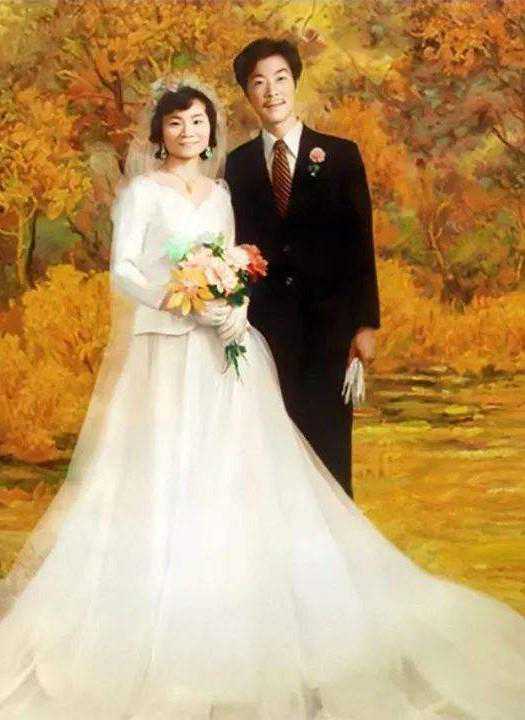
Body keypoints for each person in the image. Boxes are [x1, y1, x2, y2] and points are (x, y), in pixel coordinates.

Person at [0, 75, 523, 720]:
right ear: (159, 133)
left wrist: (232, 308)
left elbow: (234, 262)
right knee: (162, 470)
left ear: (210, 131)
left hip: (221, 347)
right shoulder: (142, 193)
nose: (187, 132)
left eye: (197, 121)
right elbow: (125, 270)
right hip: (166, 347)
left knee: (233, 473)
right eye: (175, 122)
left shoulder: (220, 192)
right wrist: (180, 299)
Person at [225, 38, 380, 499]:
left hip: (328, 328)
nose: (271, 91)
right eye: (259, 83)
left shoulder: (340, 156)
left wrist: (365, 324)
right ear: (248, 94)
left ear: (295, 83)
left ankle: (335, 545)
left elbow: (360, 243)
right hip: (263, 331)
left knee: (328, 449)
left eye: (280, 79)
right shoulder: (236, 166)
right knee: (271, 454)